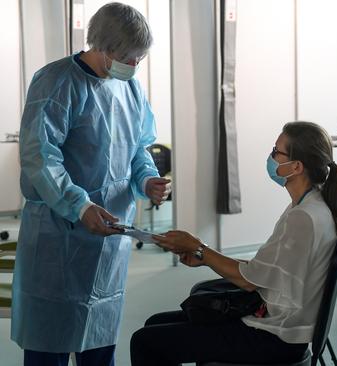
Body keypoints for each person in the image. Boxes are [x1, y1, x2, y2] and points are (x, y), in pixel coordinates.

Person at [11, 3, 171, 366]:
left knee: (99, 339)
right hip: (58, 236)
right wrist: (79, 206)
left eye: (139, 59)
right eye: (128, 57)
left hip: (109, 238)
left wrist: (146, 180)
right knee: (48, 343)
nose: (133, 67)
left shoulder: (129, 89)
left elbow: (137, 147)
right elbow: (40, 156)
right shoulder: (56, 82)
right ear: (102, 45)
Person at [129, 121, 337, 365]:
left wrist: (198, 248)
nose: (270, 157)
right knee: (155, 325)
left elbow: (249, 280)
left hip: (274, 338)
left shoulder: (304, 217)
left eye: (276, 152)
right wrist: (202, 256)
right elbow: (264, 270)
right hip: (280, 326)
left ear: (296, 166)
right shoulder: (314, 205)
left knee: (146, 341)